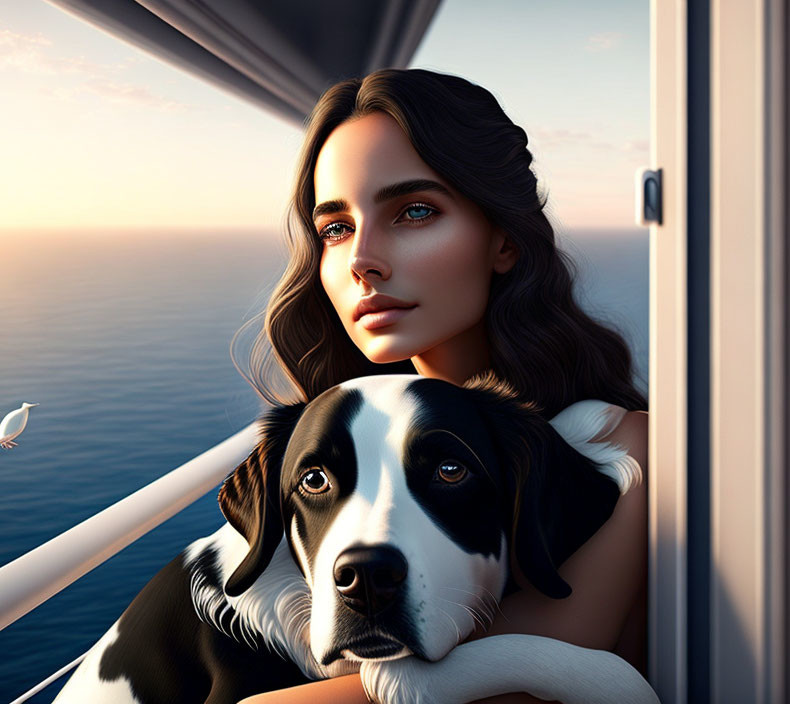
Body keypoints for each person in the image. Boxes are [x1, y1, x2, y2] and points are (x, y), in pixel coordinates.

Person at [234, 68, 649, 704]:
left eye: (415, 211)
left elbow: (547, 666)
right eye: (336, 228)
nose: (362, 259)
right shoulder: (360, 441)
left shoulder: (616, 446)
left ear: (504, 239)